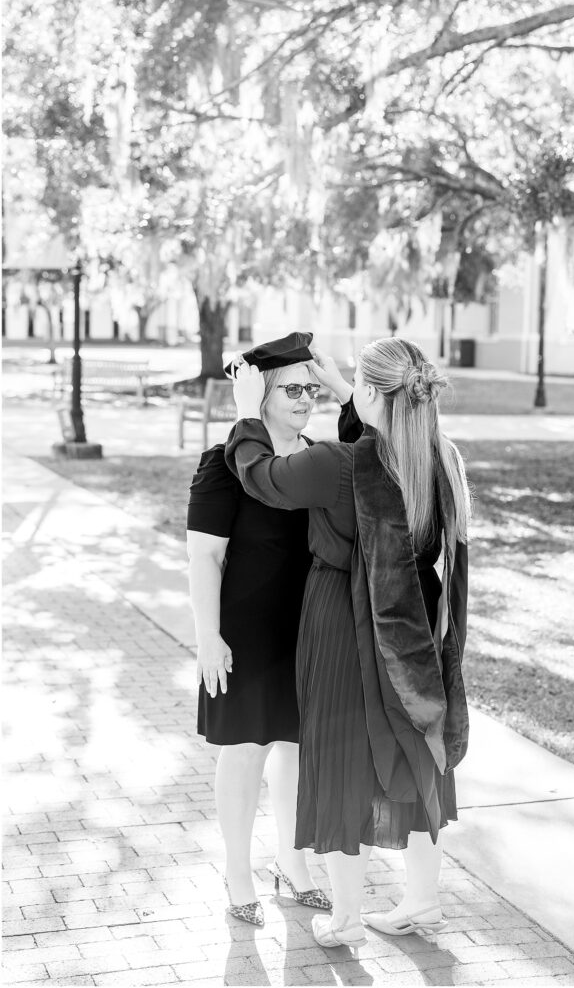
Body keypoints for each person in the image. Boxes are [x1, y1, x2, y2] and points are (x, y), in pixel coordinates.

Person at [225, 336, 470, 950]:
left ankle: (347, 917)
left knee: (339, 757)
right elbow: (382, 441)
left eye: (355, 383)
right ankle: (423, 900)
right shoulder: (439, 458)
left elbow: (262, 477)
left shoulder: (337, 465)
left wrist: (248, 413)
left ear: (372, 395)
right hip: (413, 626)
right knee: (414, 752)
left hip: (344, 618)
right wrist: (346, 387)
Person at [186, 331, 331, 927]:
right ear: (261, 393)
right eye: (293, 389)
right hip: (244, 631)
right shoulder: (223, 464)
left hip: (308, 627)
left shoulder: (316, 459)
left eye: (312, 390)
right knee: (246, 749)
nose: (306, 400)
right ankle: (237, 870)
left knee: (297, 749)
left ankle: (292, 864)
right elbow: (204, 557)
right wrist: (208, 635)